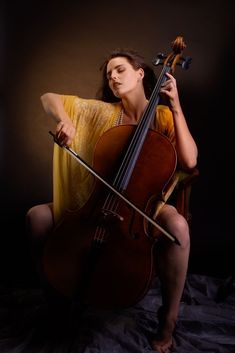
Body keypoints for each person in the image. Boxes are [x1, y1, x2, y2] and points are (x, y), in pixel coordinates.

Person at [26, 48, 198, 353]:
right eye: (109, 74)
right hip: (98, 200)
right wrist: (65, 120)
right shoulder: (103, 112)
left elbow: (189, 159)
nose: (113, 77)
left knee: (179, 228)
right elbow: (47, 98)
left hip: (145, 204)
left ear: (140, 73)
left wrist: (176, 106)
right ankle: (57, 303)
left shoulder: (162, 116)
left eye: (119, 69)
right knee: (36, 217)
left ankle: (168, 320)